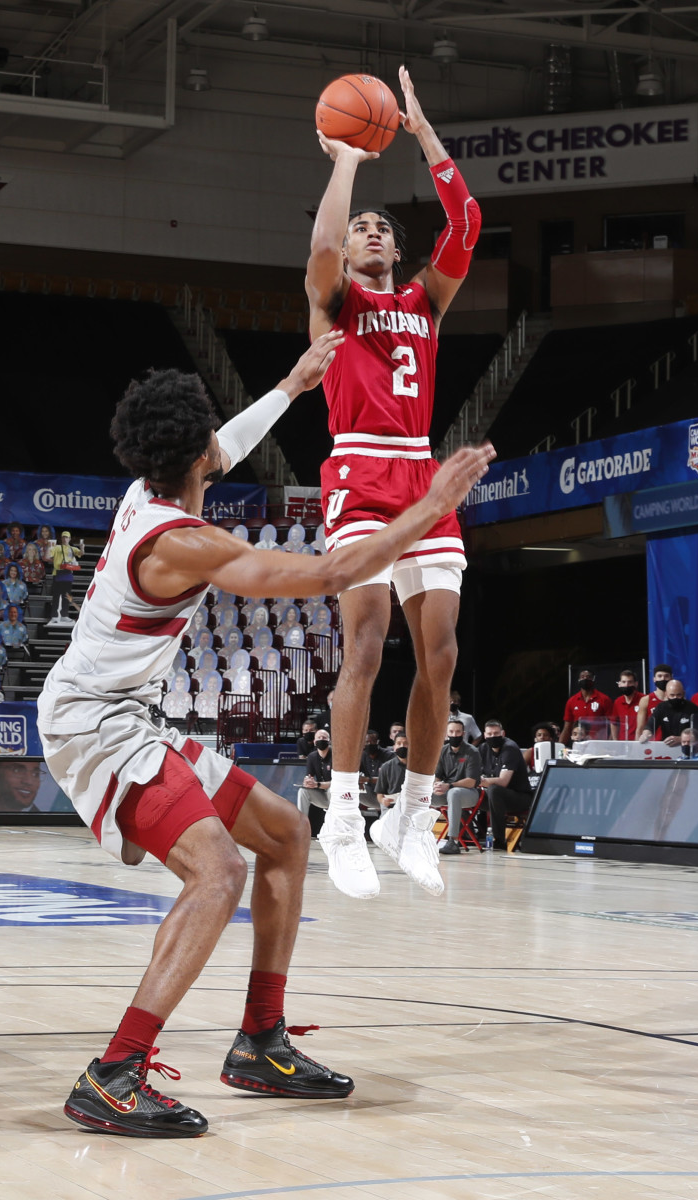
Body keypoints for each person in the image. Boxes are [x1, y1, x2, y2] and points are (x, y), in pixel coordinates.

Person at [37, 332, 494, 1137]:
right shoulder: (181, 541)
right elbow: (325, 576)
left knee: (283, 835)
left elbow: (229, 441)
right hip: (94, 725)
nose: (218, 455)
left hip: (128, 714)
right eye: (208, 450)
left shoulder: (153, 488)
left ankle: (258, 1042)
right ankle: (115, 1072)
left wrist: (291, 384)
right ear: (194, 461)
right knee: (216, 873)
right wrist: (427, 509)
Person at [306, 64, 484, 901]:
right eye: (362, 227)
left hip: (420, 475)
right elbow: (319, 250)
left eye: (382, 225)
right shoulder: (336, 301)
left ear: (397, 248)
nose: (372, 231)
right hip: (358, 470)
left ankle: (411, 815)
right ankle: (343, 817)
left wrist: (419, 133)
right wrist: (344, 162)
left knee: (440, 655)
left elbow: (470, 219)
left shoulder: (425, 303)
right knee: (369, 644)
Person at [479, 719, 531, 850]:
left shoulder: (510, 748)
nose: (493, 737)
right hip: (494, 797)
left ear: (503, 733)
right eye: (489, 734)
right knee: (462, 792)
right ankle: (462, 838)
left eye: (496, 733)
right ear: (484, 735)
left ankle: (499, 840)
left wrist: (481, 781)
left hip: (519, 797)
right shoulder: (483, 748)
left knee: (494, 790)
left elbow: (503, 781)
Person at [433, 719, 481, 855]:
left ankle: (453, 842)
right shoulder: (442, 751)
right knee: (422, 794)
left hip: (469, 793)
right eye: (451, 732)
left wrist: (449, 785)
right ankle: (415, 838)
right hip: (447, 791)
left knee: (454, 793)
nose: (454, 735)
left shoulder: (472, 752)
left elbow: (472, 781)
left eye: (458, 732)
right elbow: (437, 775)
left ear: (464, 733)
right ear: (446, 734)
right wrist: (436, 785)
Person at [641, 679, 698, 746]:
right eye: (672, 695)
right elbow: (651, 725)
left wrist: (681, 739)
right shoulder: (661, 707)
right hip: (666, 748)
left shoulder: (693, 709)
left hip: (687, 748)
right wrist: (646, 734)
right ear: (666, 694)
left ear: (683, 693)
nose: (675, 698)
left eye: (679, 695)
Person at [560, 669, 612, 744]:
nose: (585, 679)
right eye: (582, 677)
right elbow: (567, 728)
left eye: (588, 677)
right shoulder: (571, 701)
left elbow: (612, 726)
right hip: (578, 743)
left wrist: (609, 744)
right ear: (578, 680)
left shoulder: (604, 699)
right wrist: (559, 747)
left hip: (598, 743)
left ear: (593, 679)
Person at [47, 531, 83, 626]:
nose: (65, 539)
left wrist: (82, 546)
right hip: (58, 573)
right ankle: (54, 615)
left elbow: (81, 553)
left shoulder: (72, 549)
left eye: (66, 537)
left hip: (67, 574)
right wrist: (49, 546)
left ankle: (64, 615)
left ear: (69, 539)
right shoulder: (57, 547)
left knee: (66, 596)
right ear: (61, 538)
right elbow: (49, 555)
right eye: (63, 537)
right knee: (56, 596)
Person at [297, 727, 332, 817]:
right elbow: (309, 776)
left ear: (329, 741)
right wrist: (308, 782)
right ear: (314, 742)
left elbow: (338, 782)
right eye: (319, 738)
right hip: (321, 794)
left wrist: (318, 785)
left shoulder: (335, 755)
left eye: (324, 738)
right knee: (302, 791)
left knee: (332, 789)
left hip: (336, 794)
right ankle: (302, 823)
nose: (321, 739)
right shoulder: (312, 756)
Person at [635, 664, 673, 740]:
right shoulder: (646, 700)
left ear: (671, 678)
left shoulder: (677, 699)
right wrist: (637, 749)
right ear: (654, 679)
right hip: (652, 746)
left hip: (672, 744)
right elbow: (640, 728)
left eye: (666, 676)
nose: (663, 679)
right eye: (659, 676)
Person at [358, 729, 392, 812]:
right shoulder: (362, 756)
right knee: (353, 788)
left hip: (387, 794)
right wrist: (358, 781)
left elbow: (390, 780)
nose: (369, 744)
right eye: (366, 742)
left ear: (377, 742)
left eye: (372, 741)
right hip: (372, 794)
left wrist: (367, 779)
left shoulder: (389, 756)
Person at [376, 732, 409, 808]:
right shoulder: (386, 766)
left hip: (411, 805)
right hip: (392, 806)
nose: (402, 746)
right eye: (399, 743)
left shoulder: (418, 766)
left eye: (405, 743)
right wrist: (383, 800)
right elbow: (379, 794)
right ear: (394, 747)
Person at [610, 669, 644, 741]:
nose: (626, 685)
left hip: (640, 743)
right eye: (624, 682)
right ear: (619, 684)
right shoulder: (617, 702)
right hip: (623, 743)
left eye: (630, 682)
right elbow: (613, 723)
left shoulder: (644, 699)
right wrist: (615, 741)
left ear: (636, 684)